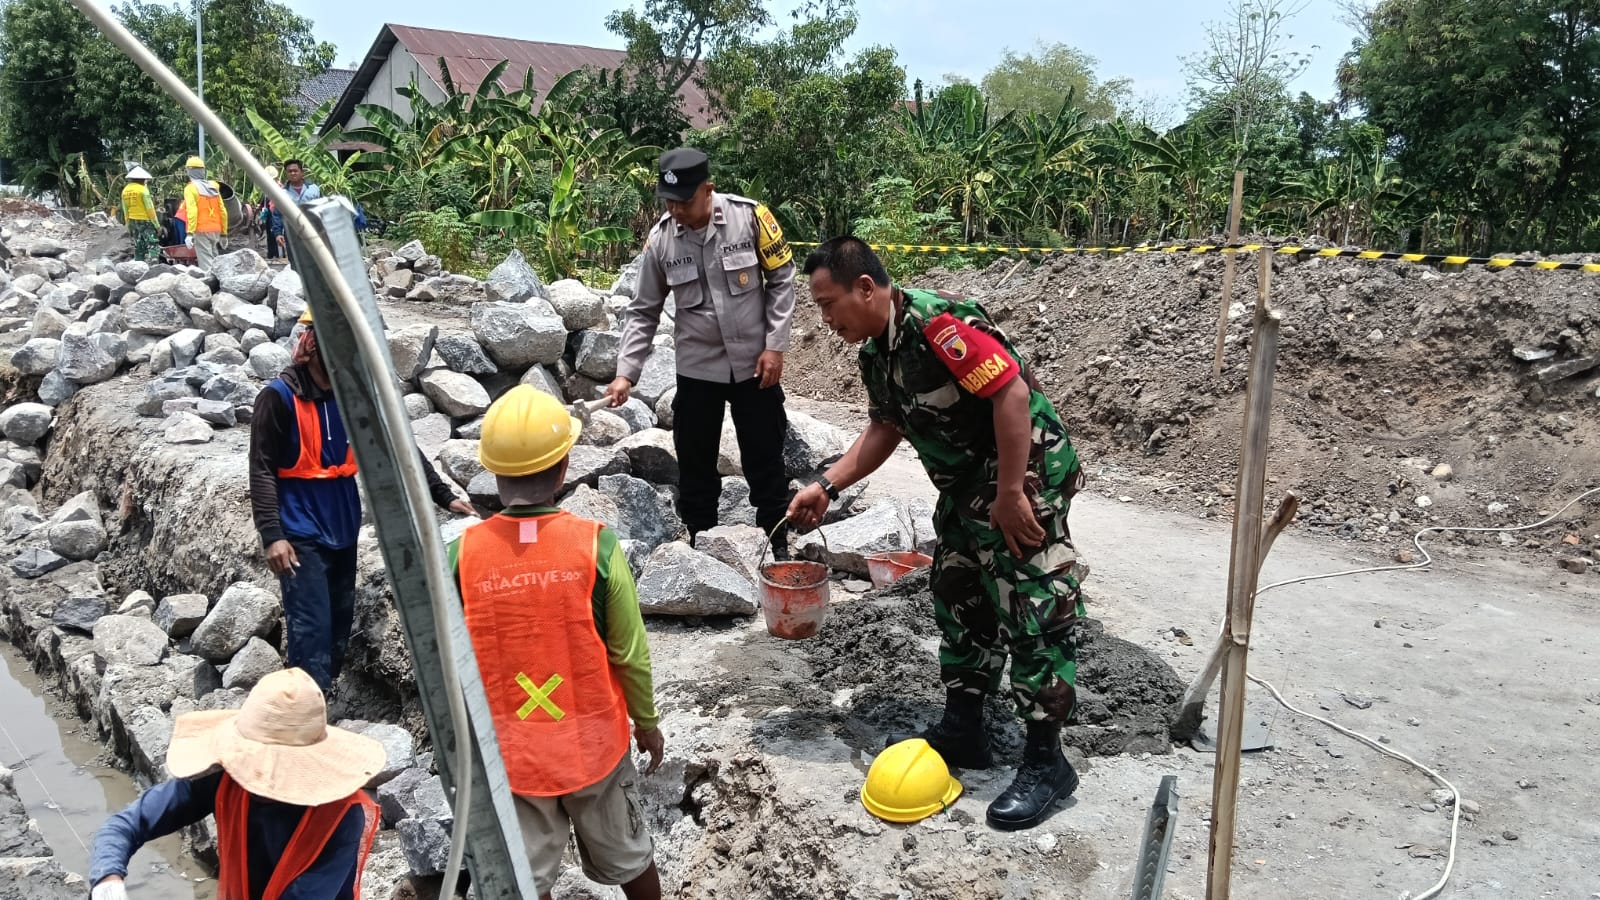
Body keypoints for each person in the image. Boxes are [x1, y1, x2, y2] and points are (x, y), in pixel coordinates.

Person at [788, 237, 1090, 832]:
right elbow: (885, 427)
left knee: (1031, 603)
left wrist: (1011, 494)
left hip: (1023, 475)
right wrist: (828, 483)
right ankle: (964, 727)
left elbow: (1011, 394)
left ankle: (1046, 760)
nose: (825, 320)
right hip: (968, 489)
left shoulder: (939, 326)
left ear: (865, 288)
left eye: (828, 304)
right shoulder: (877, 354)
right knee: (957, 589)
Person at [452, 385, 664, 900]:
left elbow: (450, 660)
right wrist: (647, 723)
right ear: (564, 467)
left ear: (492, 472)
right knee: (631, 857)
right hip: (593, 745)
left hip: (511, 753)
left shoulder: (461, 554)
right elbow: (629, 652)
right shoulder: (597, 545)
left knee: (527, 880)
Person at [249, 308, 477, 693]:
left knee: (339, 621)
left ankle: (323, 694)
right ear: (314, 345)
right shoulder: (278, 398)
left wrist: (443, 495)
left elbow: (400, 445)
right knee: (311, 625)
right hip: (300, 528)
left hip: (342, 522)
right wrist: (272, 535)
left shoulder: (355, 397)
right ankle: (304, 705)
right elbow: (261, 468)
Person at [605, 147, 797, 557]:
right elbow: (643, 310)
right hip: (697, 369)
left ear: (708, 190)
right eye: (669, 202)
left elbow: (782, 278)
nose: (676, 210)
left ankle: (777, 542)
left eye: (684, 201)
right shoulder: (661, 240)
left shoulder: (750, 218)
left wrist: (775, 346)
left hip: (754, 365)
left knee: (765, 456)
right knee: (695, 463)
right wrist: (626, 372)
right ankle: (700, 546)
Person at [87, 668, 385, 900]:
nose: (256, 781)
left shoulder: (341, 817)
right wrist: (107, 878)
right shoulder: (225, 776)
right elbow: (127, 824)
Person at [182, 155, 228, 269]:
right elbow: (223, 211)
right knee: (215, 261)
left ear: (189, 171)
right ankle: (219, 279)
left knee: (206, 264)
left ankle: (210, 280)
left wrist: (190, 233)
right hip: (216, 229)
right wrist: (224, 233)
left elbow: (192, 211)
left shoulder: (190, 189)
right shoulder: (214, 187)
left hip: (201, 230)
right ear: (203, 170)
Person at [275, 160, 321, 265]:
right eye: (289, 171)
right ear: (286, 174)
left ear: (302, 172)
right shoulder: (282, 193)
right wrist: (278, 233)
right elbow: (277, 214)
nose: (293, 173)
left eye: (295, 171)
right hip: (292, 233)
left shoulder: (314, 189)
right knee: (295, 262)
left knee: (315, 261)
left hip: (313, 231)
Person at [119, 166, 159, 264]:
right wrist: (157, 225)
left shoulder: (125, 191)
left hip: (132, 220)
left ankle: (139, 263)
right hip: (145, 220)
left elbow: (125, 209)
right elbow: (150, 209)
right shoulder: (143, 190)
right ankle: (154, 262)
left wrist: (128, 223)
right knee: (152, 241)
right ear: (142, 179)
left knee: (138, 243)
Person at [260, 165, 284, 260]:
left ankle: (278, 254)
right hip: (270, 213)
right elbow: (265, 200)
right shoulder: (267, 187)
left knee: (276, 233)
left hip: (276, 213)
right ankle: (271, 254)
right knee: (270, 234)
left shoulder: (278, 187)